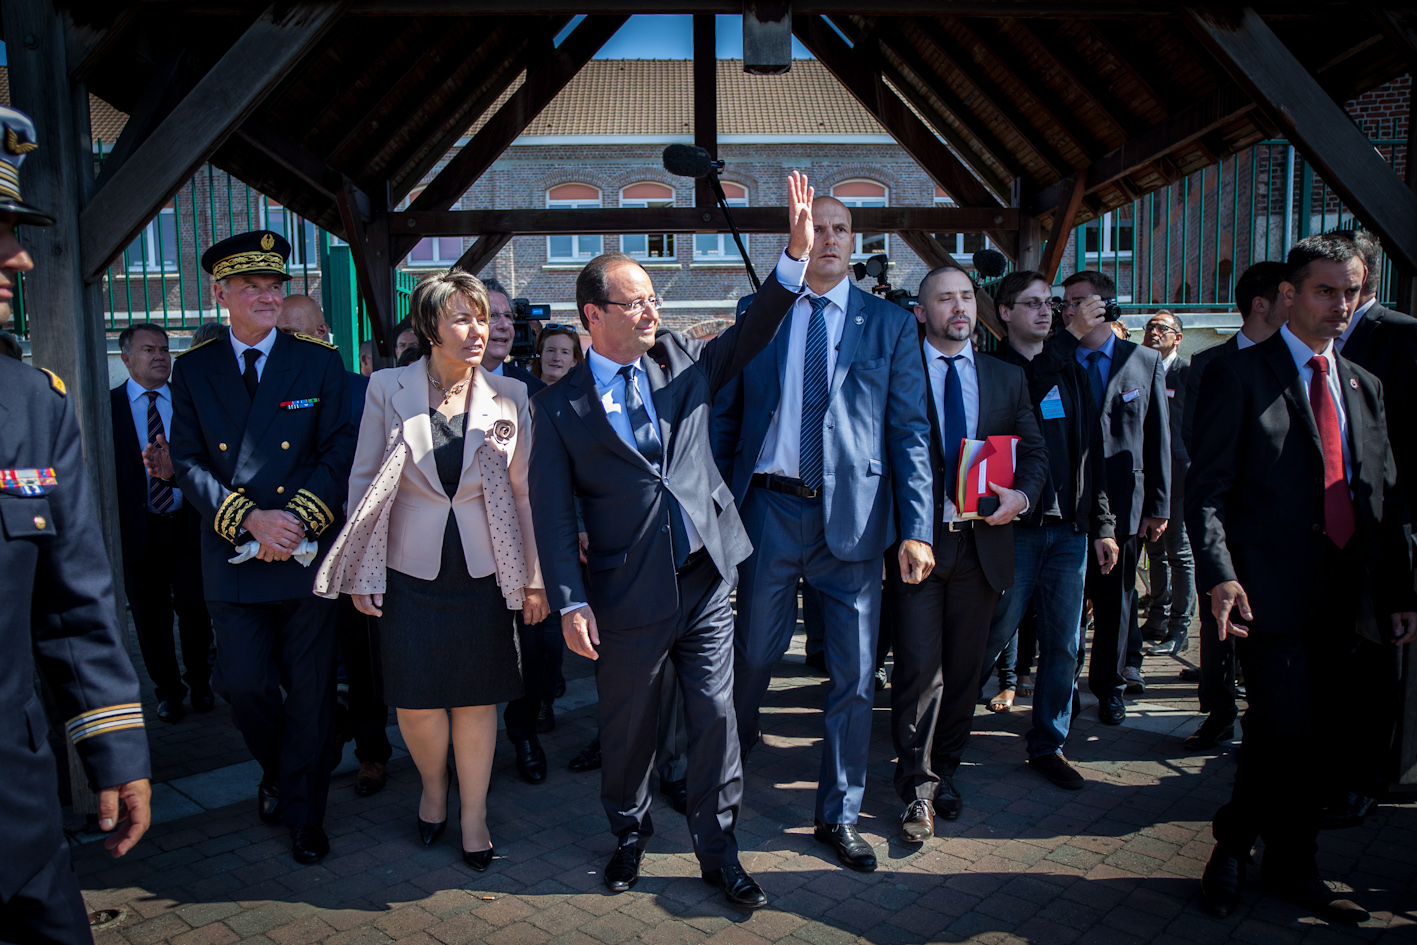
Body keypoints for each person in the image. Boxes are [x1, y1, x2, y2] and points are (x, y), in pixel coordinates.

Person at [530, 171, 815, 908]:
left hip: (706, 574)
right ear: (594, 315)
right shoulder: (557, 406)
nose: (653, 309)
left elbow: (753, 332)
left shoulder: (683, 359)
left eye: (655, 296)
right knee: (627, 725)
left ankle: (718, 851)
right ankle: (627, 831)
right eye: (638, 301)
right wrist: (568, 601)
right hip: (625, 591)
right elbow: (554, 513)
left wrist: (793, 256)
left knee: (716, 716)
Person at [1188, 234, 1416, 922]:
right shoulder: (1239, 374)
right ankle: (1241, 848)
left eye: (1350, 291)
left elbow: (1383, 495)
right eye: (1325, 290)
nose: (1339, 304)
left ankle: (1283, 861)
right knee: (1283, 726)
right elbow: (1206, 489)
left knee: (1310, 736)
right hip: (1266, 591)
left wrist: (1401, 593)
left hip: (1345, 596)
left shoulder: (1363, 386)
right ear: (1289, 294)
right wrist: (1220, 575)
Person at [716, 194, 933, 873]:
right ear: (800, 237)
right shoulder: (761, 312)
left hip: (855, 521)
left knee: (853, 674)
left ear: (854, 243)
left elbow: (908, 431)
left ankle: (836, 814)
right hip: (769, 511)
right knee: (751, 656)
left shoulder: (890, 324)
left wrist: (917, 527)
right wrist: (717, 506)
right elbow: (727, 415)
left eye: (841, 230)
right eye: (820, 229)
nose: (830, 240)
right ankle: (724, 776)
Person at [0, 104, 152, 942]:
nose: (19, 257)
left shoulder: (32, 402)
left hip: (17, 809)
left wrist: (115, 751)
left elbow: (74, 600)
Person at [341, 269, 548, 871]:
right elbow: (362, 479)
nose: (478, 329)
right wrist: (361, 571)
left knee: (478, 701)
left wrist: (533, 576)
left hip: (483, 573)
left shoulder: (511, 394)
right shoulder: (387, 388)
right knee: (419, 703)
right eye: (462, 317)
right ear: (430, 326)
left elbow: (524, 493)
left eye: (482, 317)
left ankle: (474, 814)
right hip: (410, 569)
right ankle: (433, 789)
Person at [169, 230, 356, 864]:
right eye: (252, 287)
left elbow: (338, 452)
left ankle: (306, 811)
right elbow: (189, 461)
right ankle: (284, 769)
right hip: (233, 552)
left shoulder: (317, 361)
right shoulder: (194, 368)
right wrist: (249, 520)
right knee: (244, 685)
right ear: (220, 293)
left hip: (304, 552)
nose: (267, 297)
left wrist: (296, 521)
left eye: (274, 286)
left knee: (308, 689)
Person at [888, 264, 1047, 843]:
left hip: (983, 547)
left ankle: (944, 771)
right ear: (922, 313)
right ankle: (918, 789)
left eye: (965, 297)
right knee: (918, 672)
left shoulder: (1006, 379)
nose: (959, 307)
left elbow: (1035, 453)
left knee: (963, 673)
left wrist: (1022, 496)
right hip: (918, 549)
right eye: (944, 299)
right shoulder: (897, 373)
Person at [978, 270, 1118, 789]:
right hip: (1014, 529)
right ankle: (941, 726)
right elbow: (1027, 391)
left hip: (1070, 533)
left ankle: (1049, 744)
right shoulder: (993, 369)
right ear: (1006, 313)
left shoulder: (1072, 369)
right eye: (1032, 304)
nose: (1046, 311)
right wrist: (1068, 338)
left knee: (1063, 644)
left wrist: (1101, 522)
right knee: (991, 633)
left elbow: (1091, 452)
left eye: (1050, 303)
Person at [276, 295, 393, 798]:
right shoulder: (269, 392)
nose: (293, 346)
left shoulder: (364, 392)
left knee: (361, 657)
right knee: (299, 662)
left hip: (351, 549)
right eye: (284, 336)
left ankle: (371, 751)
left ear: (326, 331)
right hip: (286, 553)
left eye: (302, 334)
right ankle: (324, 737)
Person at [1321, 230, 1417, 827]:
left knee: (1377, 663)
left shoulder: (1402, 337)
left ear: (1366, 282)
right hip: (1325, 536)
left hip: (1384, 530)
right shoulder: (1317, 348)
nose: (1335, 300)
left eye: (1345, 286)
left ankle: (1367, 778)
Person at [1178, 260, 1286, 751]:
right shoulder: (1210, 364)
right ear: (1261, 303)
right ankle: (1219, 711)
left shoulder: (1299, 365)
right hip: (1223, 514)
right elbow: (1196, 439)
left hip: (1279, 523)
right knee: (1216, 618)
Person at [1057, 270, 1169, 722]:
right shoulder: (1058, 358)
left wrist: (1157, 506)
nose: (1069, 309)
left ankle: (1110, 686)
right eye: (1066, 302)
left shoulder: (1142, 360)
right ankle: (1063, 687)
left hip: (1125, 505)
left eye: (1079, 301)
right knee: (1066, 604)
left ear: (1105, 306)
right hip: (1069, 505)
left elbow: (1158, 435)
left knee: (1116, 604)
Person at [111, 323, 214, 723]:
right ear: (126, 359)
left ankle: (201, 681)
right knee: (150, 619)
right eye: (149, 350)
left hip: (187, 526)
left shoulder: (188, 402)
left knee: (194, 609)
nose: (160, 357)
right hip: (141, 532)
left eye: (165, 350)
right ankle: (168, 691)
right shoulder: (110, 407)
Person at [479, 278, 556, 783]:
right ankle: (472, 749)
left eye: (509, 316)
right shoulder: (424, 390)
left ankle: (524, 730)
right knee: (477, 651)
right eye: (493, 315)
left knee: (539, 647)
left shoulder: (531, 391)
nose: (505, 325)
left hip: (528, 543)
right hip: (461, 548)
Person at [1139, 311, 1195, 656]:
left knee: (1179, 549)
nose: (1155, 332)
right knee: (1153, 548)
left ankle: (1180, 627)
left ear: (1178, 337)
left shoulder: (1186, 373)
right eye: (1150, 327)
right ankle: (1156, 619)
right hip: (1144, 472)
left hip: (1177, 474)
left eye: (1163, 328)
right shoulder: (1139, 368)